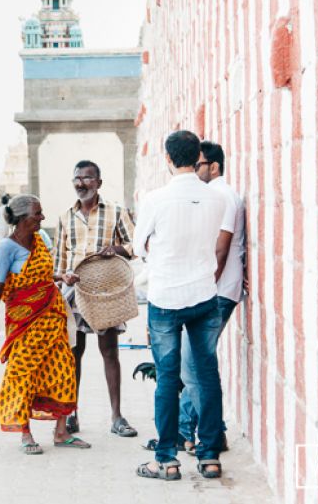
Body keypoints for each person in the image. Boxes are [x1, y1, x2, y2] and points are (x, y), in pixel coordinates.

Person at [132, 130, 233, 481]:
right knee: (207, 376)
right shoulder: (216, 199)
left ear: (169, 159)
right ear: (197, 157)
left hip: (165, 297)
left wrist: (159, 256)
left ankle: (167, 459)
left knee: (168, 378)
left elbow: (138, 247)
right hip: (204, 295)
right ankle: (209, 458)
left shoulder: (155, 199)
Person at [0, 194, 89, 455]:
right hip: (24, 322)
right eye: (37, 214)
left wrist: (61, 276)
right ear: (21, 218)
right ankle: (25, 432)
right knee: (23, 374)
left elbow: (43, 274)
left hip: (52, 317)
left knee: (64, 368)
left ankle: (62, 432)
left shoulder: (40, 240)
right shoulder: (7, 248)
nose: (42, 217)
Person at [53, 160, 137, 439]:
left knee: (109, 351)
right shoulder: (66, 216)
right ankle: (71, 414)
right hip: (74, 292)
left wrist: (117, 249)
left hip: (105, 291)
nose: (81, 183)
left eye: (87, 178)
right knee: (73, 355)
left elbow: (134, 245)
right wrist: (61, 279)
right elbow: (60, 259)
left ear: (98, 183)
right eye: (77, 178)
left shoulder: (115, 211)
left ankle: (116, 416)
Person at [175, 140, 245, 452]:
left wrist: (201, 290)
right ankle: (187, 431)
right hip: (211, 290)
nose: (193, 170)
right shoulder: (212, 195)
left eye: (198, 165)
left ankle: (210, 435)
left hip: (215, 293)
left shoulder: (222, 195)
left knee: (192, 368)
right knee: (194, 366)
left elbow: (221, 247)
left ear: (213, 167)